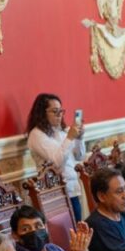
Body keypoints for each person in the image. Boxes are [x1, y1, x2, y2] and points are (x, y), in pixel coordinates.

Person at [26, 93, 87, 221]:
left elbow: (80, 156)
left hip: (72, 189)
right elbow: (56, 162)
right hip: (54, 193)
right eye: (54, 111)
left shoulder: (62, 131)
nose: (59, 115)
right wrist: (70, 138)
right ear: (42, 113)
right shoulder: (37, 135)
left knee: (78, 227)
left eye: (61, 111)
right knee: (64, 230)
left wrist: (79, 138)